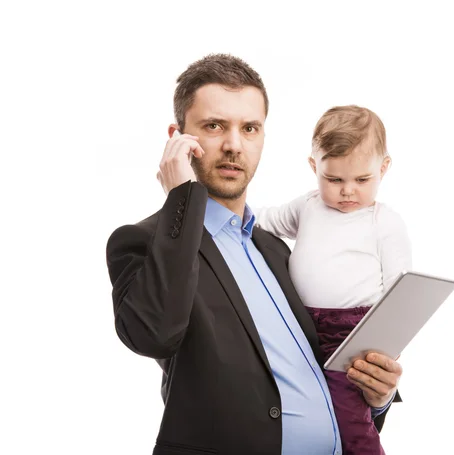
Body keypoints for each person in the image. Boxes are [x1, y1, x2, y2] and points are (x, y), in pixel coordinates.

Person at [105, 54, 403, 455]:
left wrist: (376, 395)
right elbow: (153, 333)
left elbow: (318, 379)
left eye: (249, 128)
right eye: (214, 126)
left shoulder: (276, 249)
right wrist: (182, 201)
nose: (233, 144)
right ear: (178, 137)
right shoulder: (147, 241)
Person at [255, 105, 412, 454]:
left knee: (350, 419)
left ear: (383, 168)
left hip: (353, 334)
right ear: (315, 167)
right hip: (302, 329)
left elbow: (400, 292)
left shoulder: (383, 222)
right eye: (334, 179)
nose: (347, 191)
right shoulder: (307, 207)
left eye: (362, 180)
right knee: (302, 413)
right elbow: (263, 220)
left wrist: (386, 345)